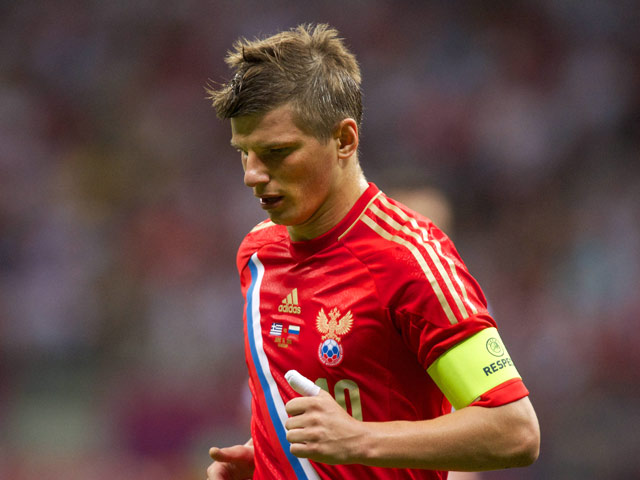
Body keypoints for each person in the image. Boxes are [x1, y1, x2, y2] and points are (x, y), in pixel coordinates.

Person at [205, 24, 539, 480]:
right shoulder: (258, 254)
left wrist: (359, 441)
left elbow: (515, 431)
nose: (252, 175)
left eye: (277, 152)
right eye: (244, 152)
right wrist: (268, 455)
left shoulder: (410, 260)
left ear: (344, 140)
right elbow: (328, 406)